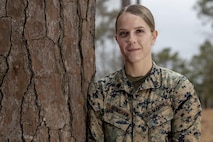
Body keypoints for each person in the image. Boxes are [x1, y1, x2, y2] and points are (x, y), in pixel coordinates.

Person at [87, 4, 202, 142]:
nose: (131, 40)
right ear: (117, 39)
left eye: (139, 31)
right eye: (124, 33)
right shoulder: (101, 92)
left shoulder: (178, 88)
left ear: (153, 36)